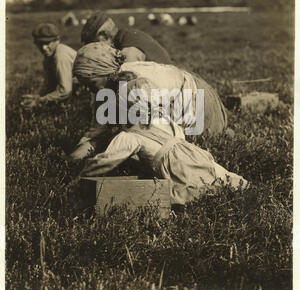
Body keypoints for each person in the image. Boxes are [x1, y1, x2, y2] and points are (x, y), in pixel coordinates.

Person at [81, 78, 247, 206]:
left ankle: (214, 196)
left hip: (177, 167)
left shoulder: (131, 136)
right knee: (220, 176)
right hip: (196, 156)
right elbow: (178, 142)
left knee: (189, 191)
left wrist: (81, 175)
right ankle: (241, 186)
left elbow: (106, 160)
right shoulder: (168, 121)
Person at [68, 42, 228, 162]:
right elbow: (95, 130)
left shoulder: (136, 85)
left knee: (195, 145)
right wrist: (74, 156)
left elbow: (156, 133)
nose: (89, 90)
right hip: (179, 95)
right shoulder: (108, 84)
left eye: (90, 84)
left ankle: (225, 128)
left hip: (199, 101)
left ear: (105, 73)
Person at [81, 10, 172, 64]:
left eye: (96, 44)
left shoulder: (128, 51)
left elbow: (125, 86)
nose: (97, 49)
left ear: (105, 35)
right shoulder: (127, 35)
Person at [21, 23, 77, 109]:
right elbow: (50, 84)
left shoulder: (61, 56)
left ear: (57, 40)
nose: (43, 47)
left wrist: (40, 101)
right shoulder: (49, 57)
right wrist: (37, 96)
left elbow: (66, 91)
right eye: (40, 43)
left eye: (47, 43)